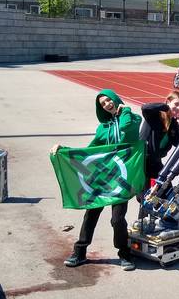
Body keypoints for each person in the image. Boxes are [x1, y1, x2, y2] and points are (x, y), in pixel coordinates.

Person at [50, 89, 141, 271]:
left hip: (121, 179)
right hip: (101, 180)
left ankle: (124, 253)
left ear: (115, 99)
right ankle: (80, 252)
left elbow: (125, 128)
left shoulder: (133, 118)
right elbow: (89, 154)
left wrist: (124, 111)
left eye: (109, 100)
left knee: (117, 219)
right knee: (90, 214)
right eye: (103, 104)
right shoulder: (102, 129)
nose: (107, 104)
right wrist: (64, 149)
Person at [140, 90, 179, 189]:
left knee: (165, 189)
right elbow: (145, 107)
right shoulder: (155, 116)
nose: (178, 108)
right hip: (143, 160)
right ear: (168, 101)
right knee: (146, 195)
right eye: (176, 104)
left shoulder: (173, 123)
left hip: (155, 161)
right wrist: (166, 107)